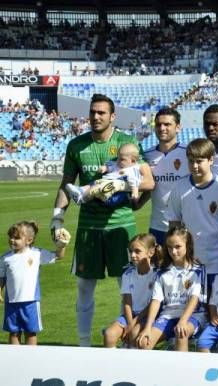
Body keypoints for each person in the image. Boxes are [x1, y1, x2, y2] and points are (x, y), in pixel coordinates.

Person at [50, 93, 154, 347]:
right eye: (93, 112)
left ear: (112, 116)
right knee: (85, 287)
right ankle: (84, 346)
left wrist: (135, 203)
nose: (96, 117)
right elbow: (67, 184)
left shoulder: (126, 142)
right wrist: (57, 218)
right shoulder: (76, 145)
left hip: (121, 226)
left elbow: (144, 179)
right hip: (88, 227)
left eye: (101, 113)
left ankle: (126, 338)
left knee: (126, 287)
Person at [166, 138, 218, 289]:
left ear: (211, 160)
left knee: (215, 308)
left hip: (217, 262)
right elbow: (174, 224)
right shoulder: (180, 187)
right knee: (193, 308)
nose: (194, 166)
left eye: (199, 161)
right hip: (189, 262)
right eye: (191, 161)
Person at [137, 226, 206, 352]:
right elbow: (156, 300)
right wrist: (147, 327)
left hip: (193, 315)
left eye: (177, 247)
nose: (173, 252)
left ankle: (182, 371)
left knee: (181, 333)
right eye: (169, 247)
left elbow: (194, 299)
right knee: (144, 342)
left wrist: (183, 321)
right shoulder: (161, 272)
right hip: (168, 315)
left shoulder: (198, 269)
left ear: (187, 245)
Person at [0, 221, 69, 345]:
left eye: (16, 238)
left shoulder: (37, 254)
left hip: (30, 302)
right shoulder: (5, 258)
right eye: (10, 237)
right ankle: (14, 359)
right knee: (13, 332)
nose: (12, 240)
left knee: (30, 332)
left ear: (29, 240)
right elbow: (1, 278)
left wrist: (62, 245)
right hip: (11, 302)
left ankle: (30, 360)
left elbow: (59, 256)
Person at [137, 107, 188, 246]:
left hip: (185, 227)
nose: (162, 128)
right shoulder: (147, 155)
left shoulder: (188, 153)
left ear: (178, 127)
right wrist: (138, 203)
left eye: (167, 124)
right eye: (158, 124)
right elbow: (152, 185)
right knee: (158, 267)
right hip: (157, 226)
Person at [103, 233, 160, 348]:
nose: (133, 255)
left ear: (151, 252)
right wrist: (130, 323)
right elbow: (127, 302)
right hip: (131, 315)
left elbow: (153, 303)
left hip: (148, 316)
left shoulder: (157, 275)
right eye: (130, 251)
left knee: (134, 334)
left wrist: (133, 324)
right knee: (109, 335)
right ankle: (113, 365)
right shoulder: (127, 274)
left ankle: (133, 363)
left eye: (137, 251)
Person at [65, 143, 143, 205]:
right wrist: (105, 168)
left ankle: (82, 199)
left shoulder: (132, 170)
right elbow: (110, 167)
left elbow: (134, 184)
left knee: (97, 187)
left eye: (122, 159)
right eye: (118, 157)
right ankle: (80, 190)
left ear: (133, 161)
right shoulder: (118, 164)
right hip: (106, 186)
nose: (118, 161)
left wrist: (135, 195)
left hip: (115, 196)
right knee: (94, 183)